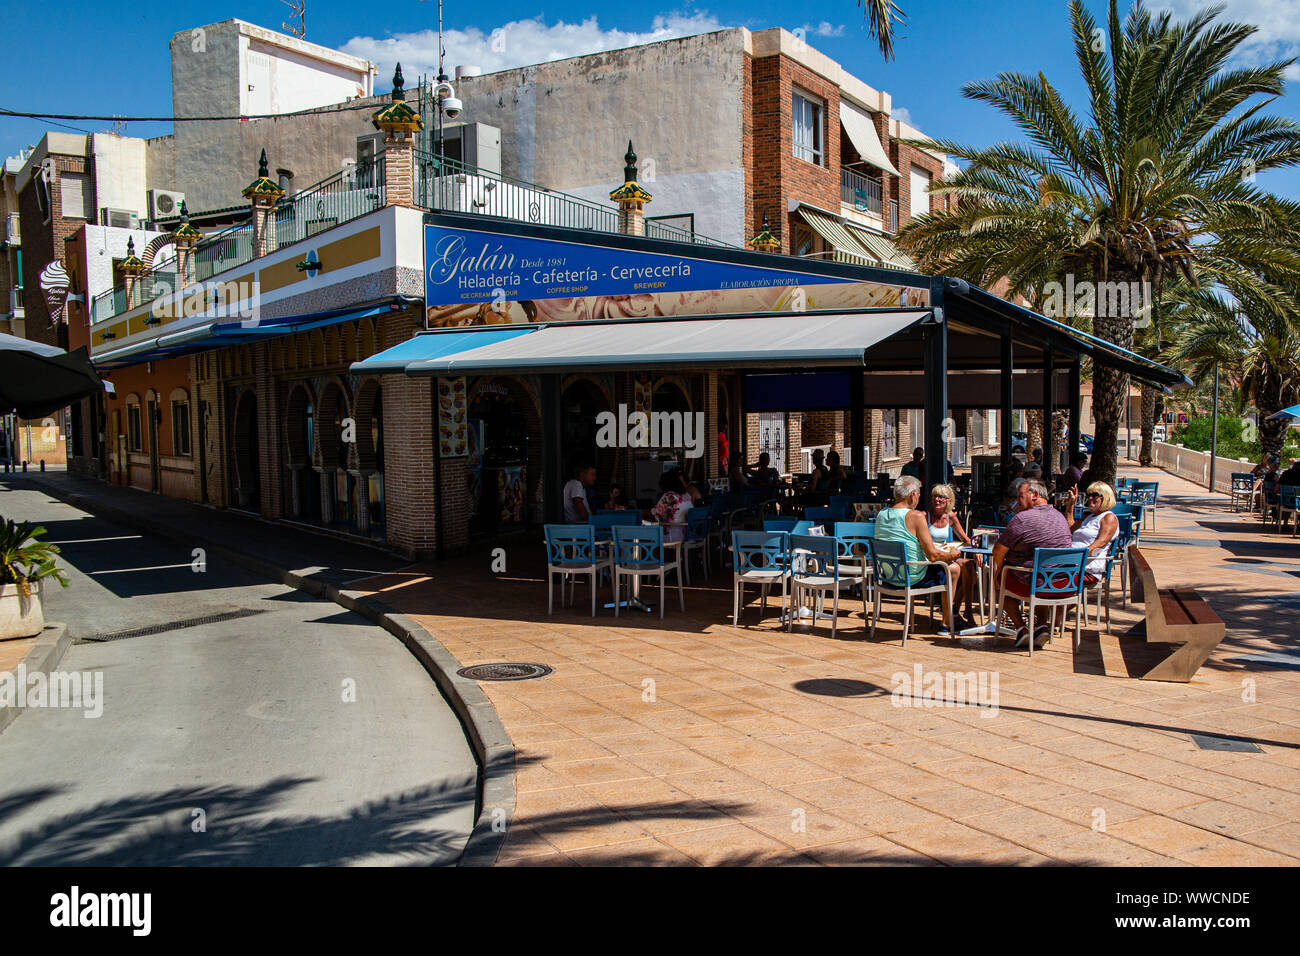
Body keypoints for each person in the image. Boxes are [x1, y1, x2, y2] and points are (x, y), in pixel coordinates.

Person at [873, 475, 964, 635]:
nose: (919, 498)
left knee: (949, 567)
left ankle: (949, 619)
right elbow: (933, 556)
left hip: (888, 576)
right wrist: (953, 554)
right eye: (919, 494)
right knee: (954, 569)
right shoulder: (916, 516)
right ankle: (946, 623)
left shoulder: (881, 515)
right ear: (912, 495)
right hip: (912, 577)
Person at [992, 478, 1074, 648]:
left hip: (1036, 583)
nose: (1017, 500)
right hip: (1064, 582)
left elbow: (998, 551)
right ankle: (1041, 625)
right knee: (1042, 572)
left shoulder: (1022, 519)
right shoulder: (1060, 517)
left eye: (1020, 496)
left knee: (1001, 579)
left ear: (1035, 495)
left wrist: (998, 572)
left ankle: (1021, 628)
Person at [927, 483, 979, 629]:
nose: (937, 500)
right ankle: (954, 611)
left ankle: (966, 610)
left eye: (941, 497)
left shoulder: (950, 516)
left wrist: (977, 550)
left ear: (949, 501)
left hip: (947, 555)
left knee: (969, 567)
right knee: (961, 570)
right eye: (935, 496)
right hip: (933, 557)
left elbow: (965, 539)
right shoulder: (925, 516)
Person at [1065, 481, 1120, 591]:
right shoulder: (1089, 517)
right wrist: (1070, 504)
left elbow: (1101, 542)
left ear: (1105, 497)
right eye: (1088, 495)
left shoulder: (1108, 518)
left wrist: (1074, 557)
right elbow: (1070, 529)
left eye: (1094, 495)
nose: (1090, 498)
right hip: (1072, 565)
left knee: (1052, 578)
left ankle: (1061, 606)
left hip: (1087, 569)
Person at [650, 469, 694, 543]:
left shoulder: (670, 496)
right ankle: (675, 554)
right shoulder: (686, 495)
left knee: (648, 539)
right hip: (689, 535)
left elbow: (654, 513)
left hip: (675, 536)